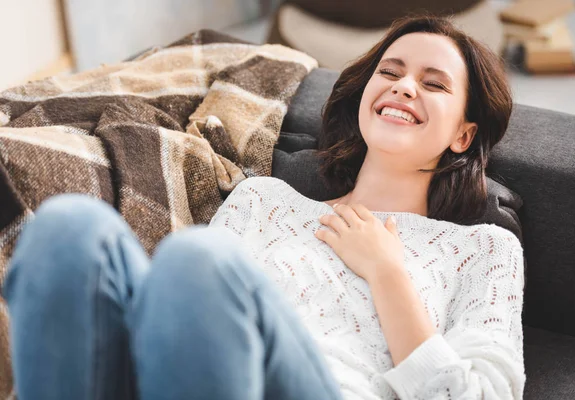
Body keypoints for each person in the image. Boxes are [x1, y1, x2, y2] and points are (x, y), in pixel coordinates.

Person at [3, 15, 525, 400]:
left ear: (463, 134)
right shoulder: (263, 200)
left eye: (433, 84)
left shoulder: (483, 249)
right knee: (68, 227)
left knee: (196, 260)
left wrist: (388, 273)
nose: (404, 86)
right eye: (390, 73)